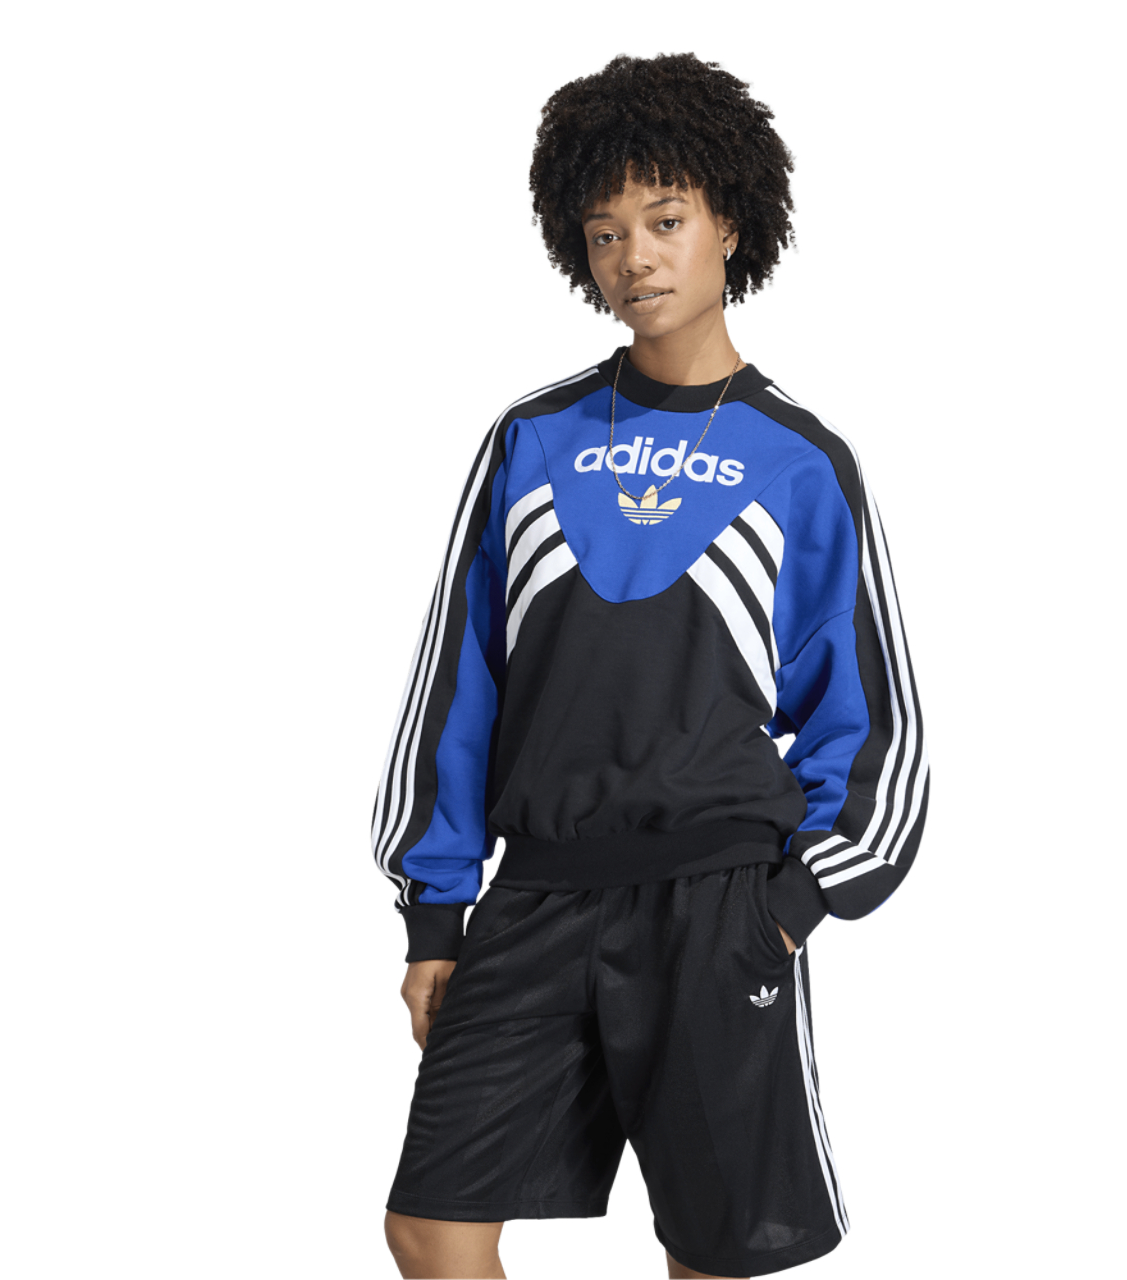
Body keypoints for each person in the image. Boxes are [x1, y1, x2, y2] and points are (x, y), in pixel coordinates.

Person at [373, 52, 930, 1280]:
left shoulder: (799, 460)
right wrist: (434, 913)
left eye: (665, 219)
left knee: (712, 1252)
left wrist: (787, 910)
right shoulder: (531, 438)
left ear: (730, 222)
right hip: (535, 895)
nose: (635, 256)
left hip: (716, 906)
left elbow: (872, 724)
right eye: (605, 230)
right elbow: (457, 686)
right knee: (430, 1223)